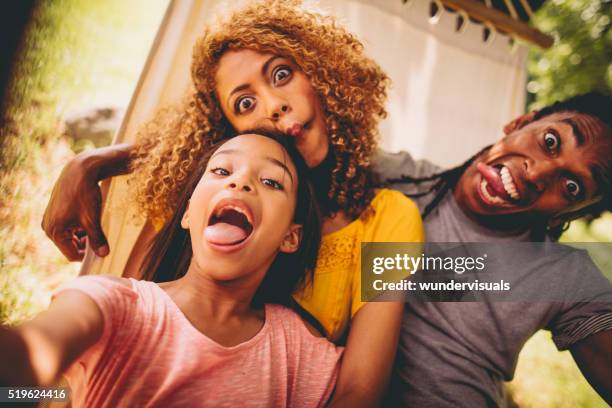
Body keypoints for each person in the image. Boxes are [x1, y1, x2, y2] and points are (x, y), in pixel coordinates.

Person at [41, 1, 424, 405]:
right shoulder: (206, 197)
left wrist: (95, 161)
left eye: (282, 74)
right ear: (230, 132)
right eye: (245, 104)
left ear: (322, 72)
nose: (273, 105)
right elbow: (133, 317)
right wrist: (89, 161)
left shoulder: (389, 219)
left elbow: (358, 394)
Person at [1, 132, 346, 407]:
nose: (240, 182)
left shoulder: (294, 350)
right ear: (188, 213)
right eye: (222, 171)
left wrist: (397, 238)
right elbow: (28, 361)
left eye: (271, 182)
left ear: (290, 236)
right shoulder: (117, 305)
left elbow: (365, 389)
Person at [376, 92, 612, 406]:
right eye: (551, 141)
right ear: (521, 122)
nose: (536, 173)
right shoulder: (391, 180)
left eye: (572, 187)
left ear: (569, 213)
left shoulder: (563, 276)